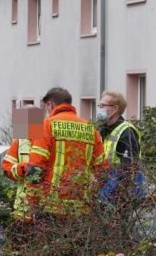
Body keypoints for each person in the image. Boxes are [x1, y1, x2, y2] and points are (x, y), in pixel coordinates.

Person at [12, 87, 105, 215]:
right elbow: (102, 168)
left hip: (52, 207)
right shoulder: (90, 129)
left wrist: (32, 202)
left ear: (50, 104)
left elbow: (36, 167)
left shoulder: (47, 125)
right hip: (82, 208)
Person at [95, 89, 143, 202]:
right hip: (105, 189)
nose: (99, 109)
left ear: (115, 108)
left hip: (118, 195)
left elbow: (128, 169)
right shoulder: (103, 131)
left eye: (102, 106)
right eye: (99, 105)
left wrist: (108, 194)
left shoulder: (127, 132)